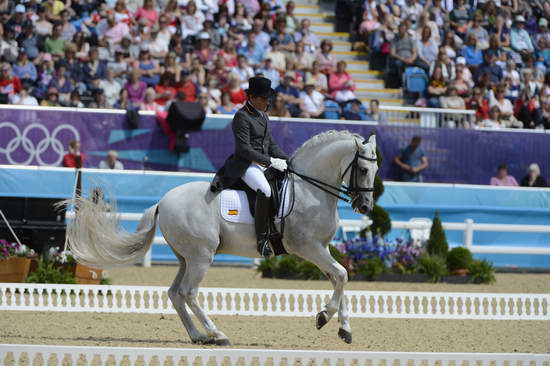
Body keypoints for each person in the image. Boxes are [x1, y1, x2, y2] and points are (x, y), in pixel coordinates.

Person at [211, 76, 289, 258]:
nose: (267, 102)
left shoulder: (263, 115)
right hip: (245, 164)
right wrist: (270, 162)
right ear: (252, 97)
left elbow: (271, 144)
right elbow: (244, 149)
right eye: (263, 98)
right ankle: (261, 239)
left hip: (262, 164)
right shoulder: (241, 116)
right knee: (265, 190)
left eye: (268, 98)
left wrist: (289, 160)